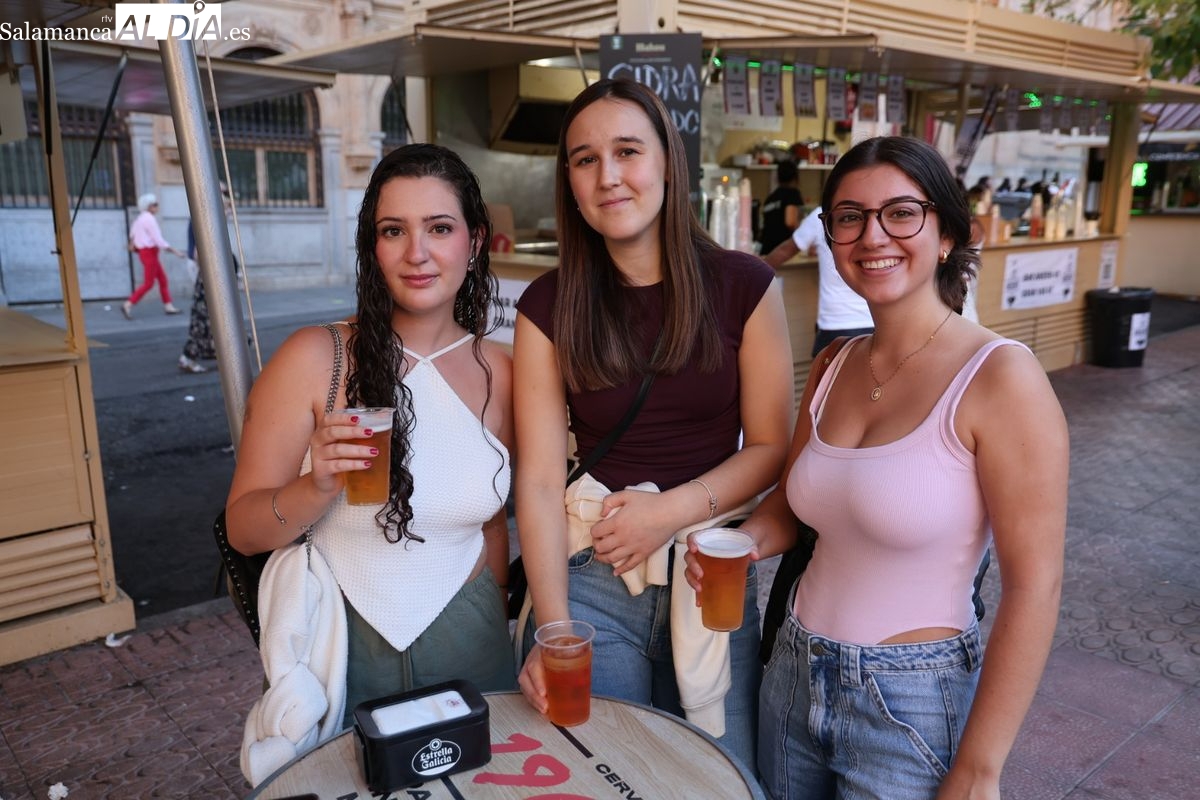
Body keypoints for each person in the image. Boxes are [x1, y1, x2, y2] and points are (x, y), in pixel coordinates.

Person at [691, 136, 1068, 799]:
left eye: (901, 213)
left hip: (910, 699)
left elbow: (1036, 587)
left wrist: (981, 769)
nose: (873, 235)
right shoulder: (837, 364)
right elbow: (794, 504)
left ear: (946, 233)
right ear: (831, 238)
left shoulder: (1001, 377)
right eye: (849, 217)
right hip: (793, 668)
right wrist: (742, 544)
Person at [512, 78, 793, 770]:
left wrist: (666, 514)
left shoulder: (745, 285)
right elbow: (543, 481)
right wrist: (554, 632)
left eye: (627, 151)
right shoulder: (546, 305)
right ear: (570, 182)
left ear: (668, 160)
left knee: (714, 777)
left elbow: (770, 448)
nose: (608, 176)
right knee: (599, 773)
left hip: (710, 576)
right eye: (584, 159)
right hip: (591, 576)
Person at [227, 143, 515, 783]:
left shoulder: (507, 371)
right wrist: (316, 484)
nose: (417, 252)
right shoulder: (315, 357)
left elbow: (494, 521)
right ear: (372, 247)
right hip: (346, 645)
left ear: (472, 244)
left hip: (475, 642)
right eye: (394, 230)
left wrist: (496, 602)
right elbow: (243, 526)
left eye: (439, 228)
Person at [764, 206, 874, 356]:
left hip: (836, 325)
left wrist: (752, 275)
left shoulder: (821, 213)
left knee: (826, 379)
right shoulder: (875, 211)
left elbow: (786, 250)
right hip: (876, 322)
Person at [177, 184, 233, 374]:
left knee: (213, 315)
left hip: (210, 273)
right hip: (209, 274)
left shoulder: (203, 215)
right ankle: (190, 356)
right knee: (207, 315)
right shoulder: (205, 217)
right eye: (224, 196)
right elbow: (198, 252)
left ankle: (216, 354)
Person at [122, 193, 185, 318]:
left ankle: (168, 305)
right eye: (155, 205)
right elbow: (158, 240)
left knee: (162, 279)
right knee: (149, 283)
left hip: (146, 253)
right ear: (149, 207)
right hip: (150, 252)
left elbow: (132, 236)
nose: (157, 207)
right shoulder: (149, 219)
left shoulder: (139, 219)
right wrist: (175, 251)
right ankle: (128, 303)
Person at [757, 159, 803, 254]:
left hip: (766, 250)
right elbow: (790, 222)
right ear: (796, 177)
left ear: (778, 177)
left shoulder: (770, 198)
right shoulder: (793, 194)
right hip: (782, 251)